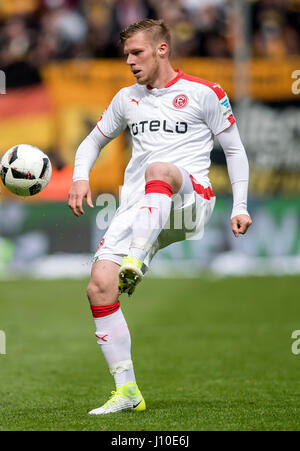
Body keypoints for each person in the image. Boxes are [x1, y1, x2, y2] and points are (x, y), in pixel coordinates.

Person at [68, 18, 252, 415]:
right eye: (126, 55)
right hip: (140, 207)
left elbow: (235, 151)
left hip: (189, 202)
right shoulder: (126, 99)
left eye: (137, 53)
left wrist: (240, 205)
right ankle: (127, 390)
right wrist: (80, 178)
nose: (130, 61)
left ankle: (135, 259)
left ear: (161, 49)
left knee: (159, 169)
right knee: (99, 287)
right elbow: (91, 142)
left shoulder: (205, 92)